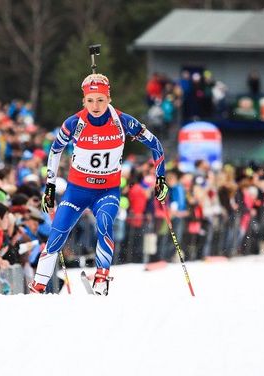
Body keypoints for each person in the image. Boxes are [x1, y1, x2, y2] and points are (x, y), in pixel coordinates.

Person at [28, 72, 169, 296]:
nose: (96, 105)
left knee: (104, 224)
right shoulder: (74, 123)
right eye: (91, 100)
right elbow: (55, 150)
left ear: (109, 99)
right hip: (77, 190)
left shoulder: (123, 121)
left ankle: (102, 278)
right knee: (57, 233)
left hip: (107, 190)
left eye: (101, 100)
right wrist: (50, 186)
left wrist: (161, 178)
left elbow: (155, 144)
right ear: (84, 101)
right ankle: (39, 285)